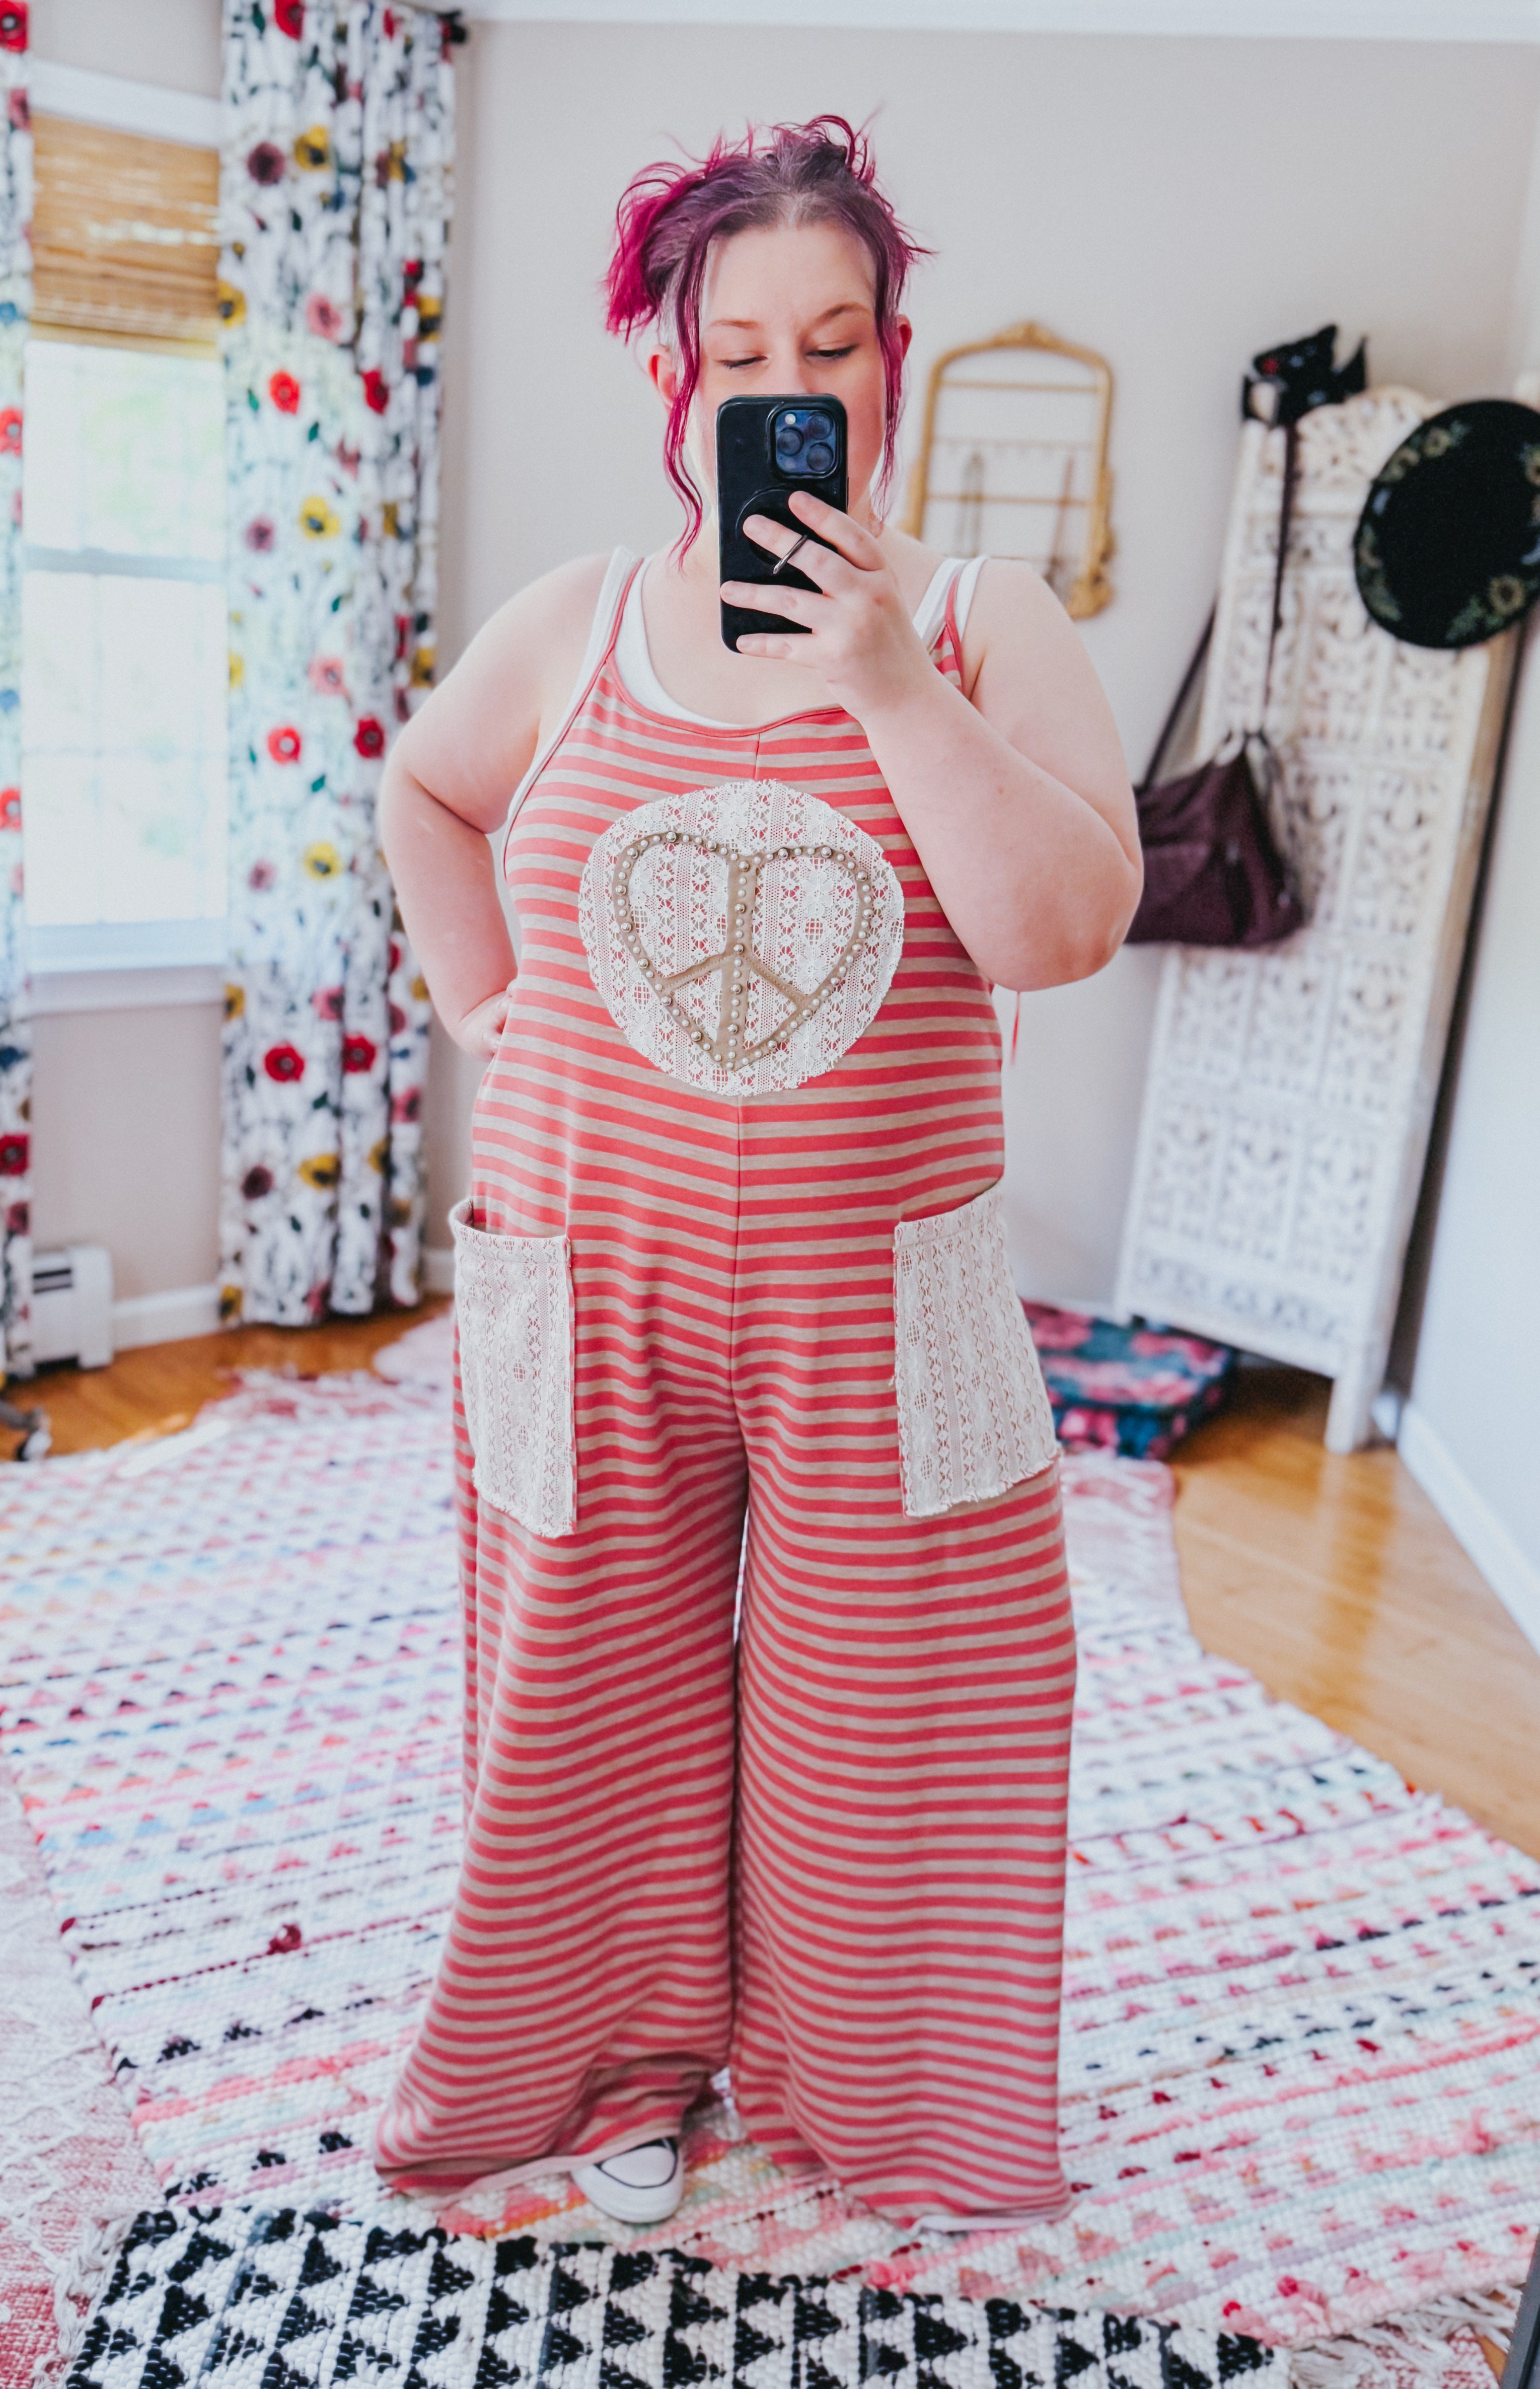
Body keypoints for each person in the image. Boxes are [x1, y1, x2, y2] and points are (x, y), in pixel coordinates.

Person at [374, 116, 1139, 2233]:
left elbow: (1060, 922)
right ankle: (604, 2054)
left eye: (831, 341)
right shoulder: (576, 619)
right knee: (575, 1696)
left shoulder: (985, 622)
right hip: (578, 1278)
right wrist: (489, 1019)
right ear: (675, 387)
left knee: (897, 1708)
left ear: (890, 362)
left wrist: (886, 674)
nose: (784, 386)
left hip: (880, 1314)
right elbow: (422, 794)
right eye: (739, 354)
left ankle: (865, 2094)